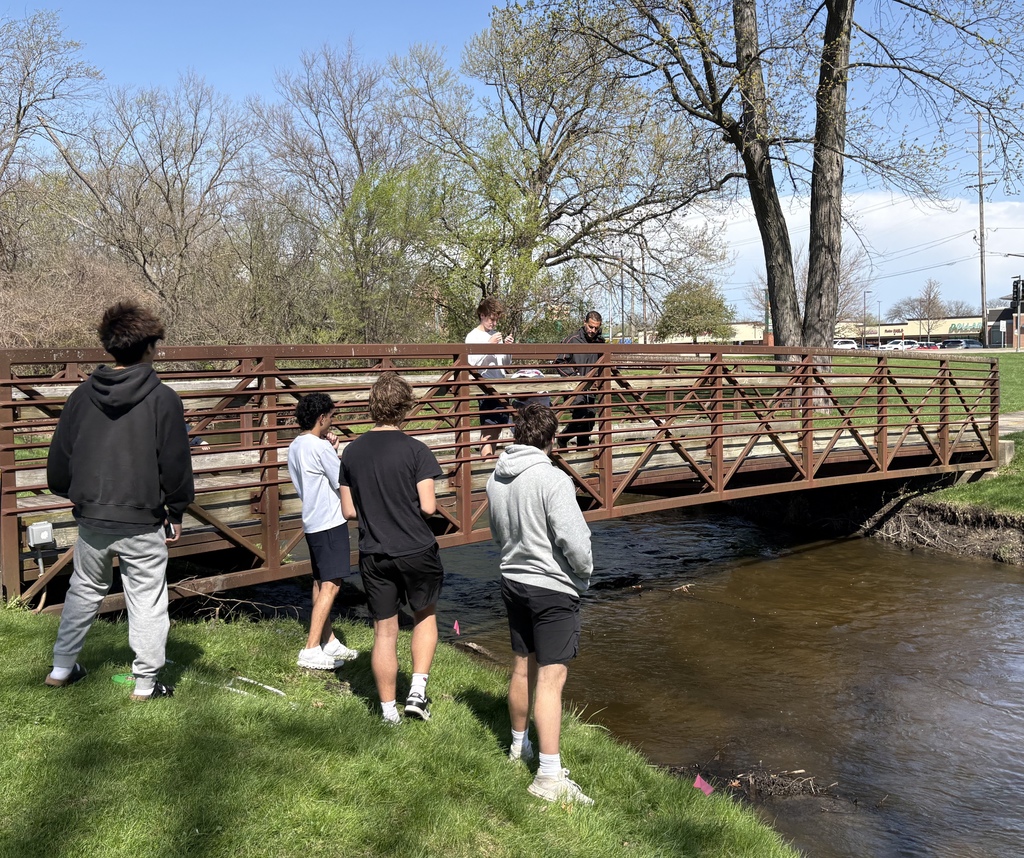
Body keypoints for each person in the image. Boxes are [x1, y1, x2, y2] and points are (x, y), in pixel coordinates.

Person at [44, 301, 195, 701]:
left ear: (110, 346)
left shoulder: (80, 397)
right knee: (146, 598)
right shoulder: (164, 398)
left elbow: (60, 460)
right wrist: (176, 510)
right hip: (143, 520)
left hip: (92, 516)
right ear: (149, 346)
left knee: (84, 588)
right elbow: (175, 462)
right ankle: (145, 685)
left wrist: (75, 495)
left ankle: (61, 668)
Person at [485, 404, 595, 805]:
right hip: (550, 588)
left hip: (512, 579)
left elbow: (497, 531)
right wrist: (583, 574)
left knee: (521, 665)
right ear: (552, 437)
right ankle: (548, 777)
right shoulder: (553, 479)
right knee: (551, 678)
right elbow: (575, 541)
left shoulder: (496, 477)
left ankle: (519, 747)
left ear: (517, 434)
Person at [339, 372, 445, 724]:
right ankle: (416, 692)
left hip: (374, 551)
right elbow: (429, 507)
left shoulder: (351, 453)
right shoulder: (417, 450)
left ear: (373, 407)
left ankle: (387, 713)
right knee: (424, 615)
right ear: (405, 409)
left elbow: (349, 510)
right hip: (415, 548)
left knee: (384, 631)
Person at [287, 392, 360, 670]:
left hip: (312, 520)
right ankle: (310, 649)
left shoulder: (295, 445)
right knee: (332, 584)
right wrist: (334, 450)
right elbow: (343, 479)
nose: (331, 423)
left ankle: (328, 641)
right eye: (330, 418)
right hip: (330, 521)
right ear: (321, 418)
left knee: (320, 581)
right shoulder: (320, 448)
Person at [465, 296, 515, 457]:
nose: (494, 323)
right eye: (491, 319)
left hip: (501, 387)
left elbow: (505, 365)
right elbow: (471, 362)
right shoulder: (473, 336)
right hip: (486, 388)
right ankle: (486, 465)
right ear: (482, 315)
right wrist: (489, 345)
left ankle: (489, 463)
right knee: (488, 431)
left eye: (496, 320)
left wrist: (507, 348)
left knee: (496, 431)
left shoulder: (495, 335)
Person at [554, 311, 605, 449]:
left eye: (596, 328)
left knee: (589, 421)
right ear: (585, 323)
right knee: (581, 417)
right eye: (591, 327)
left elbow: (604, 363)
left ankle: (582, 452)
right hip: (574, 387)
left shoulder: (600, 342)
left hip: (591, 388)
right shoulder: (572, 339)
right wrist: (573, 377)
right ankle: (563, 438)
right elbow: (559, 362)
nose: (593, 331)